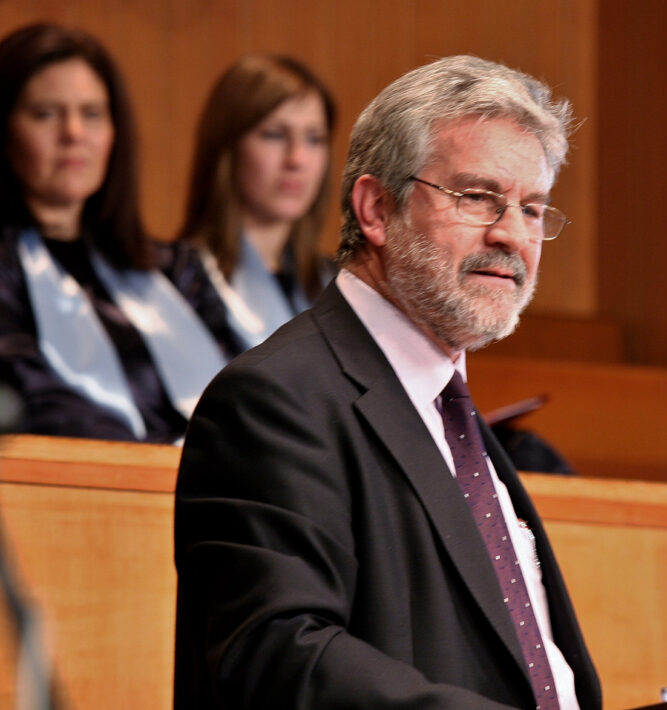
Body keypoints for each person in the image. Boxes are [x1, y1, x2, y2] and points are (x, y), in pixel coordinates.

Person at [174, 55, 601, 709]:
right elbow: (276, 653)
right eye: (477, 197)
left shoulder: (458, 423)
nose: (512, 235)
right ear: (376, 208)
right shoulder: (275, 401)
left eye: (533, 208)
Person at [0, 22, 233, 443]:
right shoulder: (7, 271)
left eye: (91, 114)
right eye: (46, 113)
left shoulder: (177, 270)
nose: (74, 134)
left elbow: (244, 391)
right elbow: (32, 398)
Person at [177, 54, 336, 349]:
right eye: (274, 135)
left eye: (314, 139)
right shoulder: (178, 284)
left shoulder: (342, 288)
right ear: (228, 147)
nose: (297, 159)